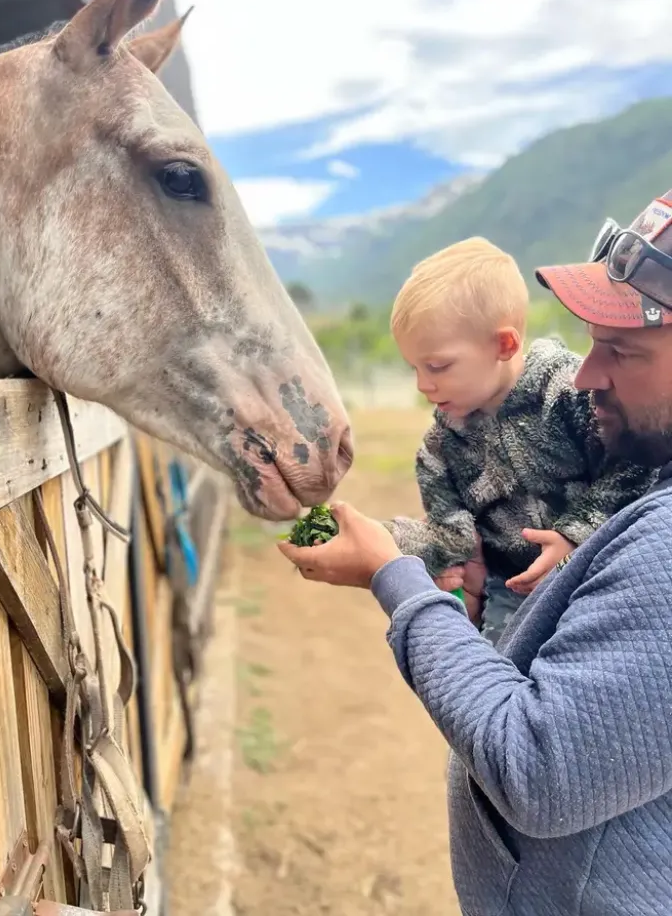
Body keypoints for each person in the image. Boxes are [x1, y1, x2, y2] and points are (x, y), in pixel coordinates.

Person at [278, 190, 672, 916]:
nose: (588, 377)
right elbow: (451, 520)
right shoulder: (450, 440)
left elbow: (533, 767)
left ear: (502, 347)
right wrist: (442, 564)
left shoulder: (655, 536)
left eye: (622, 350)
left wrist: (395, 579)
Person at [383, 236, 655, 643]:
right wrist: (386, 544)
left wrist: (574, 537)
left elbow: (635, 464)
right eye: (414, 369)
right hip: (511, 589)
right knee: (503, 675)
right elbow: (453, 537)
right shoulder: (441, 448)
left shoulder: (571, 394)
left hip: (597, 571)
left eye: (438, 366)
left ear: (504, 345)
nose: (424, 384)